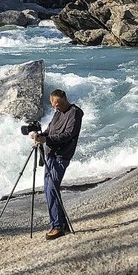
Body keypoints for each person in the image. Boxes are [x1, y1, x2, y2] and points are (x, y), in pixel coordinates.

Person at [30, 89, 83, 240]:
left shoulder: (75, 113)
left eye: (58, 104)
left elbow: (68, 134)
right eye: (53, 105)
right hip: (50, 154)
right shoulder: (58, 113)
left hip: (62, 156)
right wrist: (41, 136)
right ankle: (62, 224)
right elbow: (50, 130)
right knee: (48, 189)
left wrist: (47, 140)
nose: (56, 108)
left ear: (65, 98)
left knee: (51, 189)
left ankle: (57, 227)